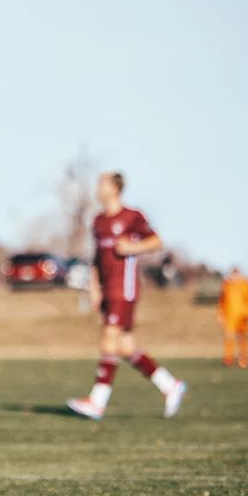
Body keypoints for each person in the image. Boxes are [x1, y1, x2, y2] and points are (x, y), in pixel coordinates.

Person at [67, 172, 186, 420]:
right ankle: (170, 385)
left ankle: (97, 402)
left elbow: (156, 241)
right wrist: (94, 287)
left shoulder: (132, 216)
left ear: (115, 188)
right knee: (125, 346)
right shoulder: (98, 221)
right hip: (107, 288)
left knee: (108, 340)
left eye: (102, 183)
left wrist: (133, 247)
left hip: (125, 289)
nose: (98, 187)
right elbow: (97, 259)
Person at [218, 267, 248, 368]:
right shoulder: (226, 285)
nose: (234, 277)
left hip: (243, 315)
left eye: (236, 274)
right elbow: (222, 301)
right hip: (230, 315)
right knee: (229, 336)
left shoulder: (245, 284)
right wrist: (220, 314)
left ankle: (243, 358)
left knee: (243, 337)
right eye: (232, 274)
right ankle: (228, 358)